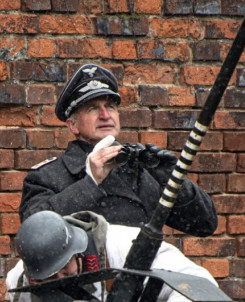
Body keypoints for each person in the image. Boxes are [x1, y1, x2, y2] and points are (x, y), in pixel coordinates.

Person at [19, 63, 218, 237]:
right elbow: (33, 231)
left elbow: (205, 224)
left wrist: (172, 179)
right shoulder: (48, 176)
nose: (105, 115)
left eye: (111, 106)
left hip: (141, 278)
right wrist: (90, 184)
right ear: (73, 125)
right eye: (93, 108)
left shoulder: (142, 170)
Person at [6, 210, 220, 302]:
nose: (60, 280)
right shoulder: (22, 281)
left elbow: (199, 286)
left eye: (64, 269)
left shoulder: (126, 247)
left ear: (77, 252)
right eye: (50, 278)